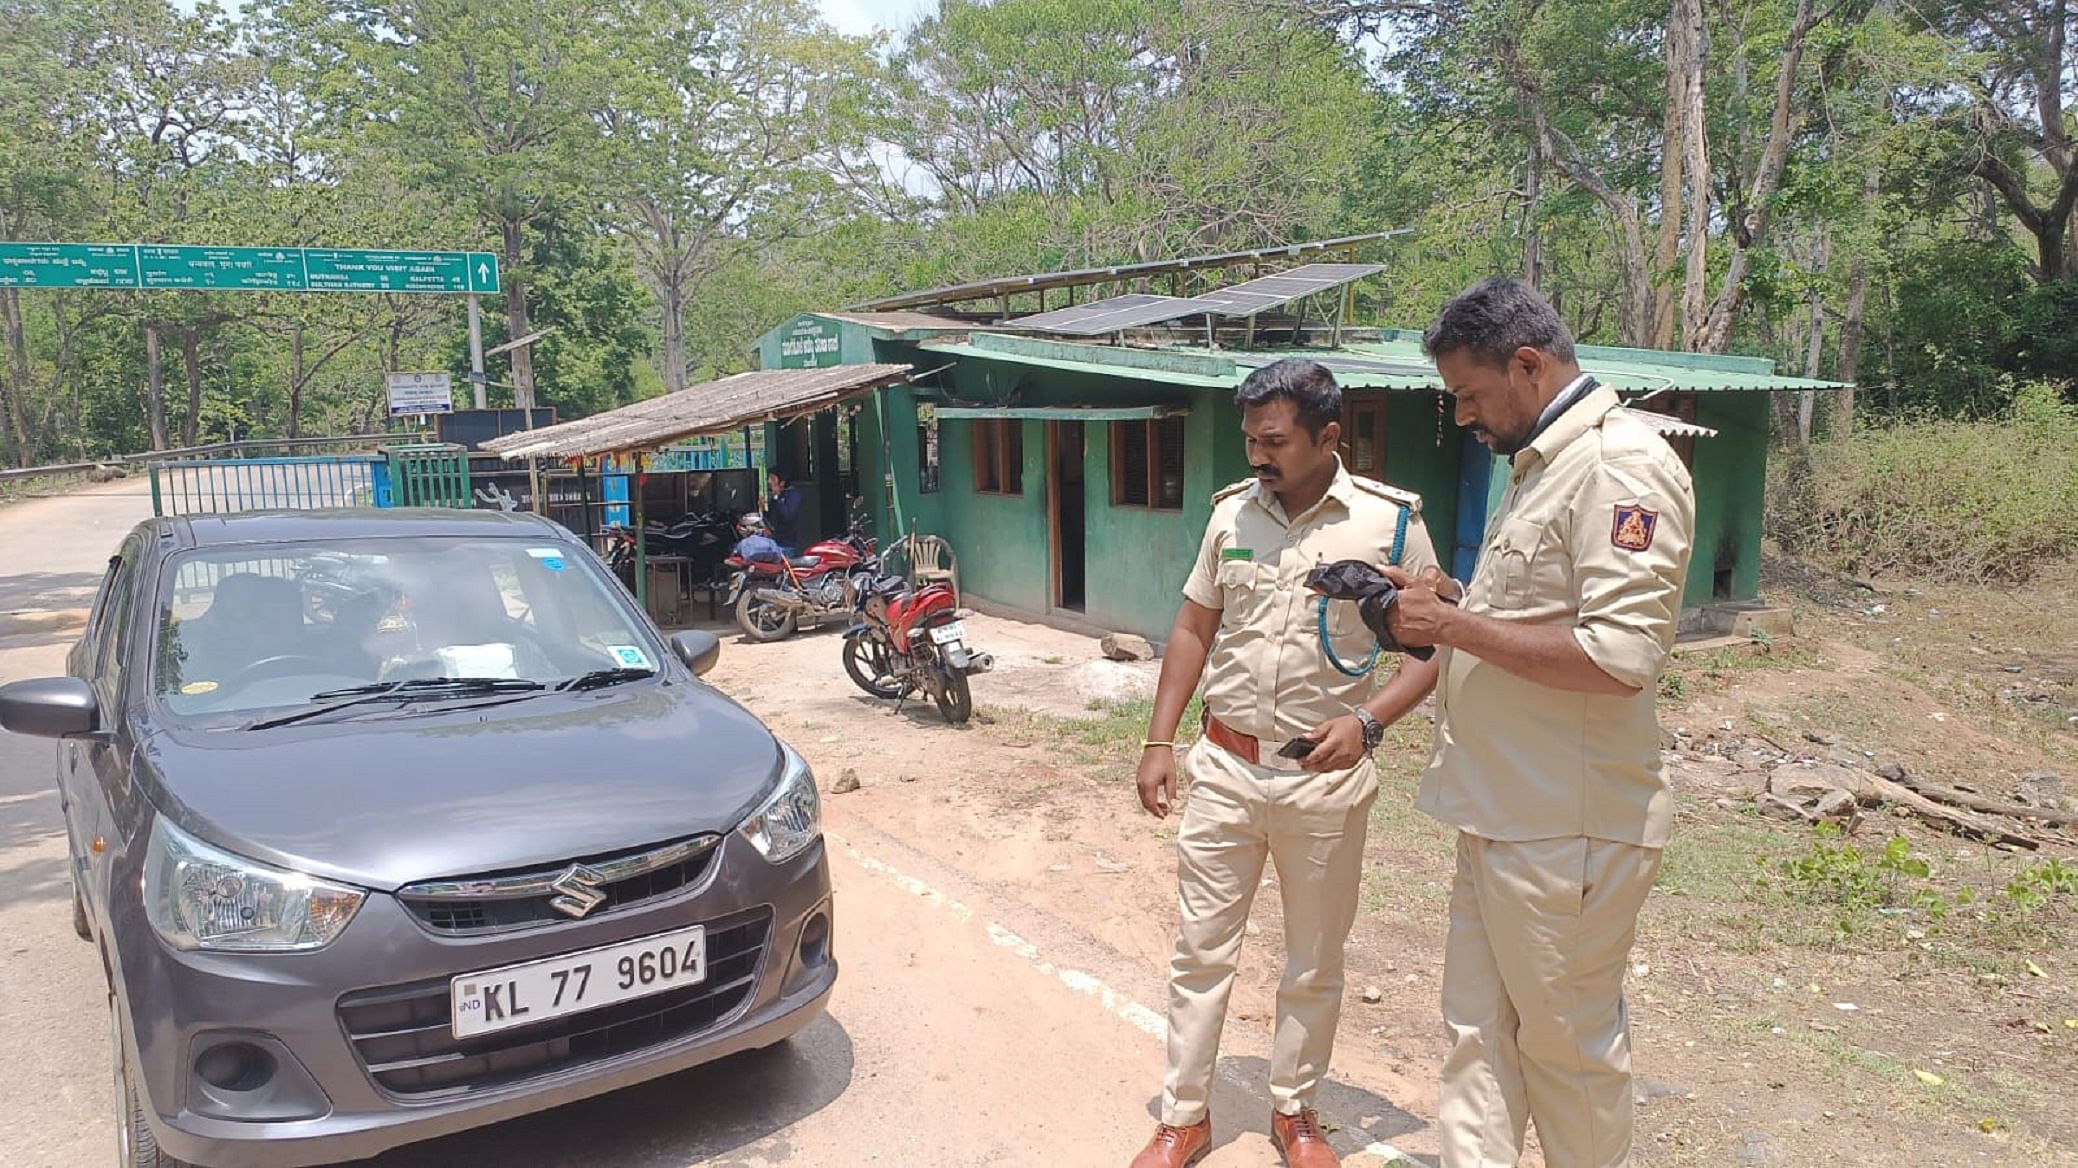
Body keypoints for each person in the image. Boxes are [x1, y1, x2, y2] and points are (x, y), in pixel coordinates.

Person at [1381, 277, 1696, 1168]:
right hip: (1498, 811)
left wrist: (1454, 625)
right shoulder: (1542, 467)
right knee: (1476, 1038)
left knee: (1566, 1053)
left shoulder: (1619, 466)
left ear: (1528, 364)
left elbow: (1620, 656)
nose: (1465, 418)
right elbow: (1528, 614)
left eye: (1472, 396)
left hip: (1569, 829)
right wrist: (1448, 599)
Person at [1130, 358, 1442, 1168]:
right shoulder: (1231, 519)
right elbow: (1194, 627)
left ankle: (1296, 1112)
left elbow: (1439, 646)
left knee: (1313, 956)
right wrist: (1159, 741)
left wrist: (1369, 723)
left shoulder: (1393, 525)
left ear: (1328, 436)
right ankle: (1184, 1116)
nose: (1257, 456)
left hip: (1325, 780)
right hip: (1227, 769)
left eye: (1274, 441)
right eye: (1249, 440)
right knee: (1201, 948)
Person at [765, 469, 802, 553]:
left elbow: (787, 517)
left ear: (782, 482)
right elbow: (770, 517)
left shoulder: (793, 495)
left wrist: (777, 497)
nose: (769, 481)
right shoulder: (776, 497)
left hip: (786, 544)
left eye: (773, 479)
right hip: (773, 541)